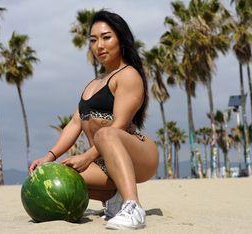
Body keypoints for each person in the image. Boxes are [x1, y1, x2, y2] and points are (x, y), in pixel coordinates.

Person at [29, 10, 159, 230]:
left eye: (106, 37)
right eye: (93, 39)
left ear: (121, 38)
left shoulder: (128, 75)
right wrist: (49, 157)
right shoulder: (92, 84)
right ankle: (115, 197)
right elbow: (74, 124)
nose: (99, 45)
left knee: (106, 132)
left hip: (140, 155)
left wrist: (87, 157)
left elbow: (119, 125)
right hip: (104, 163)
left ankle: (133, 207)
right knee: (60, 176)